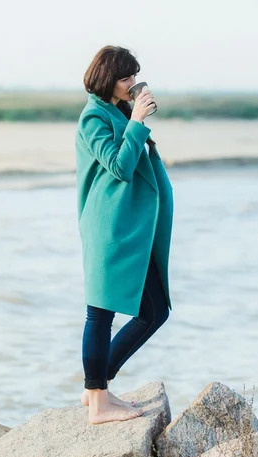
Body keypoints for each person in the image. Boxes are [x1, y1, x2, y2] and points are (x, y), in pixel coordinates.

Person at [74, 46, 174, 424]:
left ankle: (95, 386)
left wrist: (135, 119)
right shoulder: (93, 117)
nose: (133, 83)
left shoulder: (116, 111)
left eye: (135, 75)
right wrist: (137, 121)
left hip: (132, 227)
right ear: (107, 79)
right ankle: (98, 404)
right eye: (125, 77)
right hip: (109, 228)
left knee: (154, 310)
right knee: (100, 313)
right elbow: (118, 167)